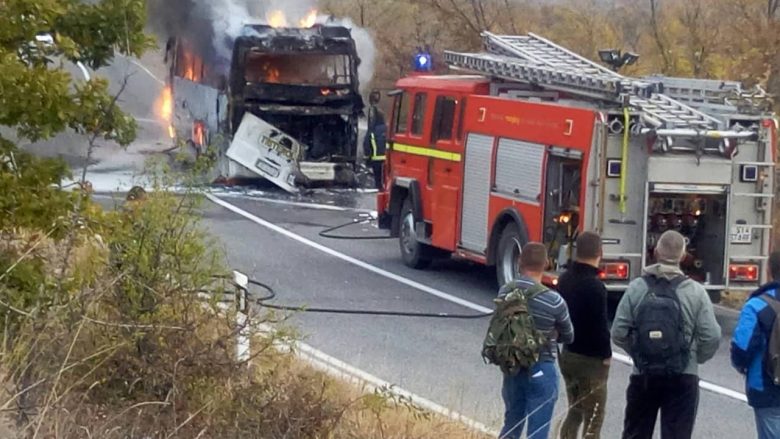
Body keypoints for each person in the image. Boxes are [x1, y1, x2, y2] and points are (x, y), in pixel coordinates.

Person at [612, 230, 721, 439]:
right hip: (683, 376)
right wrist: (694, 358)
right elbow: (712, 336)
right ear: (682, 256)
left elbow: (618, 332)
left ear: (655, 252)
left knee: (636, 433)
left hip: (643, 375)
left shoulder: (637, 288)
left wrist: (639, 353)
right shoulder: (696, 292)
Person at [499, 242, 574, 439]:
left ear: (519, 262)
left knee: (512, 422)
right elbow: (569, 336)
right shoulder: (554, 300)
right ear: (546, 264)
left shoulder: (506, 292)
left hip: (513, 367)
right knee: (538, 431)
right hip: (542, 366)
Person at [557, 231, 611, 439]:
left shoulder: (565, 279)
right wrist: (606, 355)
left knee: (575, 409)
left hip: (569, 353)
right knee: (594, 415)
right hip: (590, 359)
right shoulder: (595, 287)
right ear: (600, 252)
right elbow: (599, 326)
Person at [731, 251, 780, 439]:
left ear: (769, 271)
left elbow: (742, 347)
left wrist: (741, 366)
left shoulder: (757, 305)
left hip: (767, 388)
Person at [363, 108, 387, 189]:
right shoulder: (387, 129)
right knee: (386, 181)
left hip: (376, 160)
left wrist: (367, 157)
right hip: (387, 160)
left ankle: (380, 192)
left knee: (378, 182)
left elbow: (366, 144)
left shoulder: (372, 130)